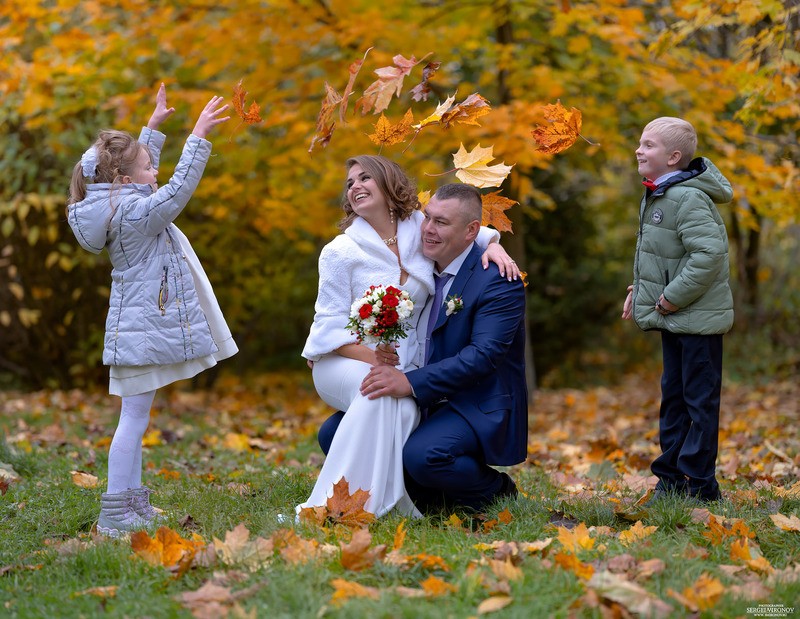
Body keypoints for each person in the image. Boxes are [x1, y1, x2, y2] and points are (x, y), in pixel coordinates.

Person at [299, 157, 518, 519]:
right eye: (350, 182)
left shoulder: (417, 227)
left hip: (405, 368)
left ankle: (380, 500)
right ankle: (330, 505)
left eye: (365, 177)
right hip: (344, 362)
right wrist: (376, 361)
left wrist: (493, 243)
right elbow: (326, 328)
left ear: (388, 185)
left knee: (395, 402)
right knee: (382, 394)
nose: (354, 186)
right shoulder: (339, 252)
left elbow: (467, 227)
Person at [67, 84, 238, 537]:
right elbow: (177, 189)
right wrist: (199, 135)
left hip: (137, 328)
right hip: (137, 332)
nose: (155, 170)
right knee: (133, 419)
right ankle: (114, 513)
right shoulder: (137, 215)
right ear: (124, 180)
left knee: (137, 417)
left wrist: (153, 128)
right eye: (148, 166)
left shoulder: (124, 203)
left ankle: (133, 502)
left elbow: (141, 174)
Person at [359, 183, 528, 513]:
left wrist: (409, 384)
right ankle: (432, 501)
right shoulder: (417, 262)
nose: (428, 230)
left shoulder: (498, 279)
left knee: (423, 455)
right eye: (427, 218)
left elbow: (483, 356)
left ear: (470, 232)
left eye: (441, 223)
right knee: (335, 431)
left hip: (473, 401)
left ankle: (497, 493)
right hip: (423, 397)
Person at [622, 116, 734, 503]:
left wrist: (670, 297)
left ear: (673, 157)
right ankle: (670, 481)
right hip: (675, 316)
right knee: (674, 399)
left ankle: (701, 487)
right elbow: (668, 256)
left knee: (698, 403)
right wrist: (641, 291)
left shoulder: (687, 197)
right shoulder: (660, 194)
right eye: (640, 142)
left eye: (648, 145)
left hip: (697, 320)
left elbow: (709, 254)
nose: (639, 149)